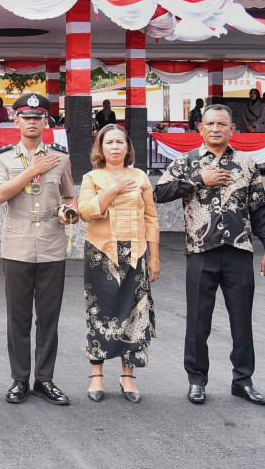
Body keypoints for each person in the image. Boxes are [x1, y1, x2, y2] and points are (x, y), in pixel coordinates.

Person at [153, 104, 265, 406]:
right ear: (200, 128)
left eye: (222, 123)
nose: (216, 129)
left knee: (242, 320)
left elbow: (259, 208)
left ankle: (243, 381)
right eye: (210, 123)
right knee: (198, 321)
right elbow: (159, 193)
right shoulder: (187, 161)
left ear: (233, 128)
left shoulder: (247, 163)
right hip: (201, 251)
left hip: (238, 251)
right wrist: (198, 180)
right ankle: (197, 380)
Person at [0, 93, 76, 406]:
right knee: (19, 318)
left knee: (49, 318)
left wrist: (69, 211)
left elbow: (69, 196)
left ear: (46, 121)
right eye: (26, 117)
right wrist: (30, 170)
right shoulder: (4, 158)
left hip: (52, 245)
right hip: (17, 246)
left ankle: (45, 380)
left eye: (38, 118)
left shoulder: (61, 157)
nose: (32, 122)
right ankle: (19, 379)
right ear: (16, 120)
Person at [78, 124, 160, 403]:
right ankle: (97, 375)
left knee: (134, 314)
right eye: (109, 142)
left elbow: (151, 218)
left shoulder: (140, 177)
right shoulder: (92, 177)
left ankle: (128, 377)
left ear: (128, 147)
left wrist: (155, 255)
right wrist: (112, 189)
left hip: (136, 256)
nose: (115, 147)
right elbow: (86, 213)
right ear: (100, 148)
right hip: (101, 254)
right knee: (99, 314)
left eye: (120, 142)